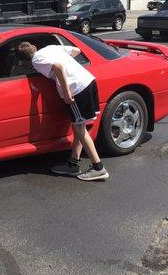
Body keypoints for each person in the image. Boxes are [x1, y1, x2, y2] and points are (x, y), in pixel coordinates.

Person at [16, 41, 109, 181]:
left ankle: (98, 168)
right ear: (34, 47)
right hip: (88, 81)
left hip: (77, 89)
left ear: (23, 60)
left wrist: (66, 92)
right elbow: (76, 50)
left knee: (79, 129)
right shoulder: (50, 48)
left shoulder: (36, 60)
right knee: (80, 126)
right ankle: (73, 164)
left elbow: (58, 67)